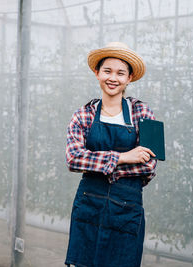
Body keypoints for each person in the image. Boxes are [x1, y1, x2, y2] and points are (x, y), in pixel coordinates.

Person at [65, 42, 158, 267]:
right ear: (97, 73)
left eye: (120, 73)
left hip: (126, 209)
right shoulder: (83, 115)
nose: (112, 78)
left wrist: (97, 162)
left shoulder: (143, 112)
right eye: (107, 71)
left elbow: (149, 164)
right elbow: (74, 158)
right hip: (89, 204)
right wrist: (123, 157)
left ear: (129, 77)